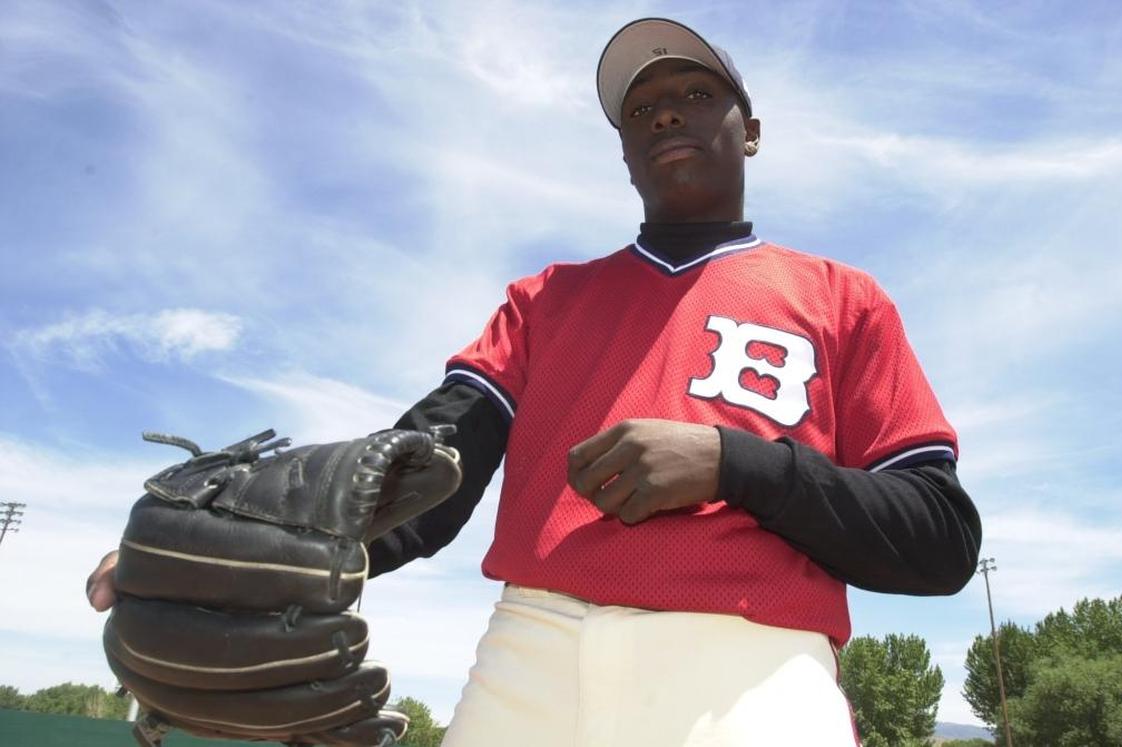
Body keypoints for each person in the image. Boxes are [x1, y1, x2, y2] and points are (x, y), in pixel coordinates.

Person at [89, 17, 982, 746]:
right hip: (531, 651)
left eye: (694, 95)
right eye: (642, 110)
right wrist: (227, 547)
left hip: (751, 660)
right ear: (625, 154)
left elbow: (940, 537)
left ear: (748, 131)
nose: (666, 114)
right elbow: (429, 465)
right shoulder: (547, 299)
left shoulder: (842, 298)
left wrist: (732, 462)